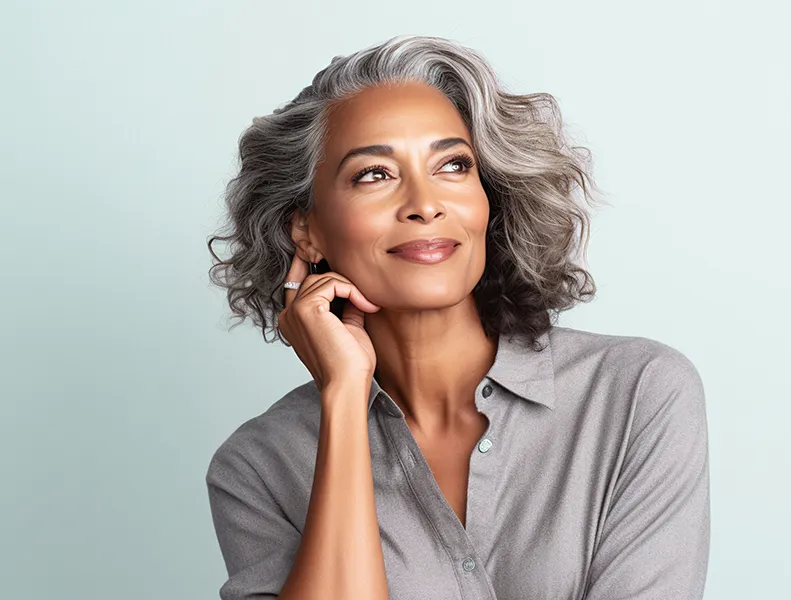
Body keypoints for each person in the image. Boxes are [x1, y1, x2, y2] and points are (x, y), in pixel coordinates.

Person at [205, 35, 710, 600]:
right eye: (374, 174)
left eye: (452, 165)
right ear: (308, 230)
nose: (425, 202)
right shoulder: (257, 469)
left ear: (487, 194)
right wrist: (344, 398)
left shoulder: (636, 394)